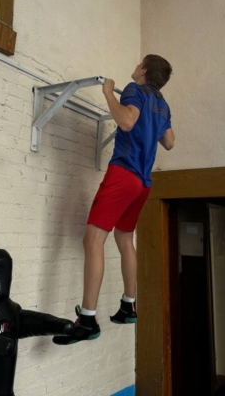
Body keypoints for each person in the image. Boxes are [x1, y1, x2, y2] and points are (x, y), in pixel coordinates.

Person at [53, 54, 175, 345]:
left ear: (143, 70)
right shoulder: (163, 104)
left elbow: (127, 121)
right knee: (124, 239)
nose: (135, 66)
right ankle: (128, 305)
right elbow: (169, 142)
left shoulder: (135, 90)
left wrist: (108, 92)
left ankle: (87, 320)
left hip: (123, 174)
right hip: (142, 183)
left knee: (93, 241)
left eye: (138, 63)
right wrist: (152, 126)